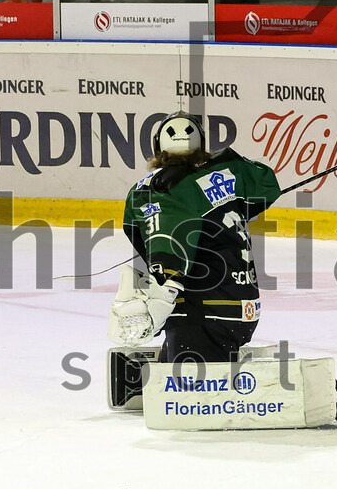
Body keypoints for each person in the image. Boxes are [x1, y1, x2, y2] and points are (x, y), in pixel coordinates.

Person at [112, 110, 281, 364]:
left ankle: (331, 393)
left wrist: (160, 299)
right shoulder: (230, 169)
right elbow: (267, 185)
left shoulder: (155, 188)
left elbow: (164, 250)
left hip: (202, 313)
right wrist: (230, 163)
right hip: (242, 309)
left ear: (157, 146)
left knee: (188, 395)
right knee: (168, 379)